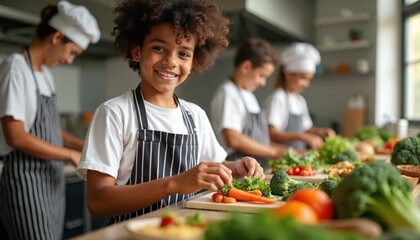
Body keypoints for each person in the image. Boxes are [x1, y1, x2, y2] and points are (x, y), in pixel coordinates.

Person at [76, 0, 265, 225]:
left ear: (194, 62)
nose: (170, 61)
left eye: (183, 54)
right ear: (137, 51)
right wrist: (174, 184)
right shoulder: (114, 113)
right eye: (159, 48)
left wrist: (237, 167)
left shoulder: (195, 116)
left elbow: (215, 167)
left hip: (185, 230)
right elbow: (98, 201)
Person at [0, 1, 100, 239]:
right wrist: (68, 155)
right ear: (57, 37)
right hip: (25, 181)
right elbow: (16, 136)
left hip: (51, 182)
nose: (70, 60)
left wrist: (84, 147)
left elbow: (53, 131)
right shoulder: (15, 68)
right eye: (72, 52)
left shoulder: (44, 75)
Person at [210, 38, 286, 171]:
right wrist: (273, 152)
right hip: (239, 172)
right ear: (246, 66)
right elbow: (233, 139)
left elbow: (259, 140)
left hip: (256, 171)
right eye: (262, 76)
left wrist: (284, 150)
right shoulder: (228, 93)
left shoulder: (248, 95)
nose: (263, 83)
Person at [264, 42, 336, 151]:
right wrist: (301, 136)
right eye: (303, 78)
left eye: (309, 79)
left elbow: (306, 128)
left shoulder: (299, 100)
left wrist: (320, 132)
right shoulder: (277, 98)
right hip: (279, 158)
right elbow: (271, 133)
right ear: (288, 74)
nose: (306, 84)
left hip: (298, 157)